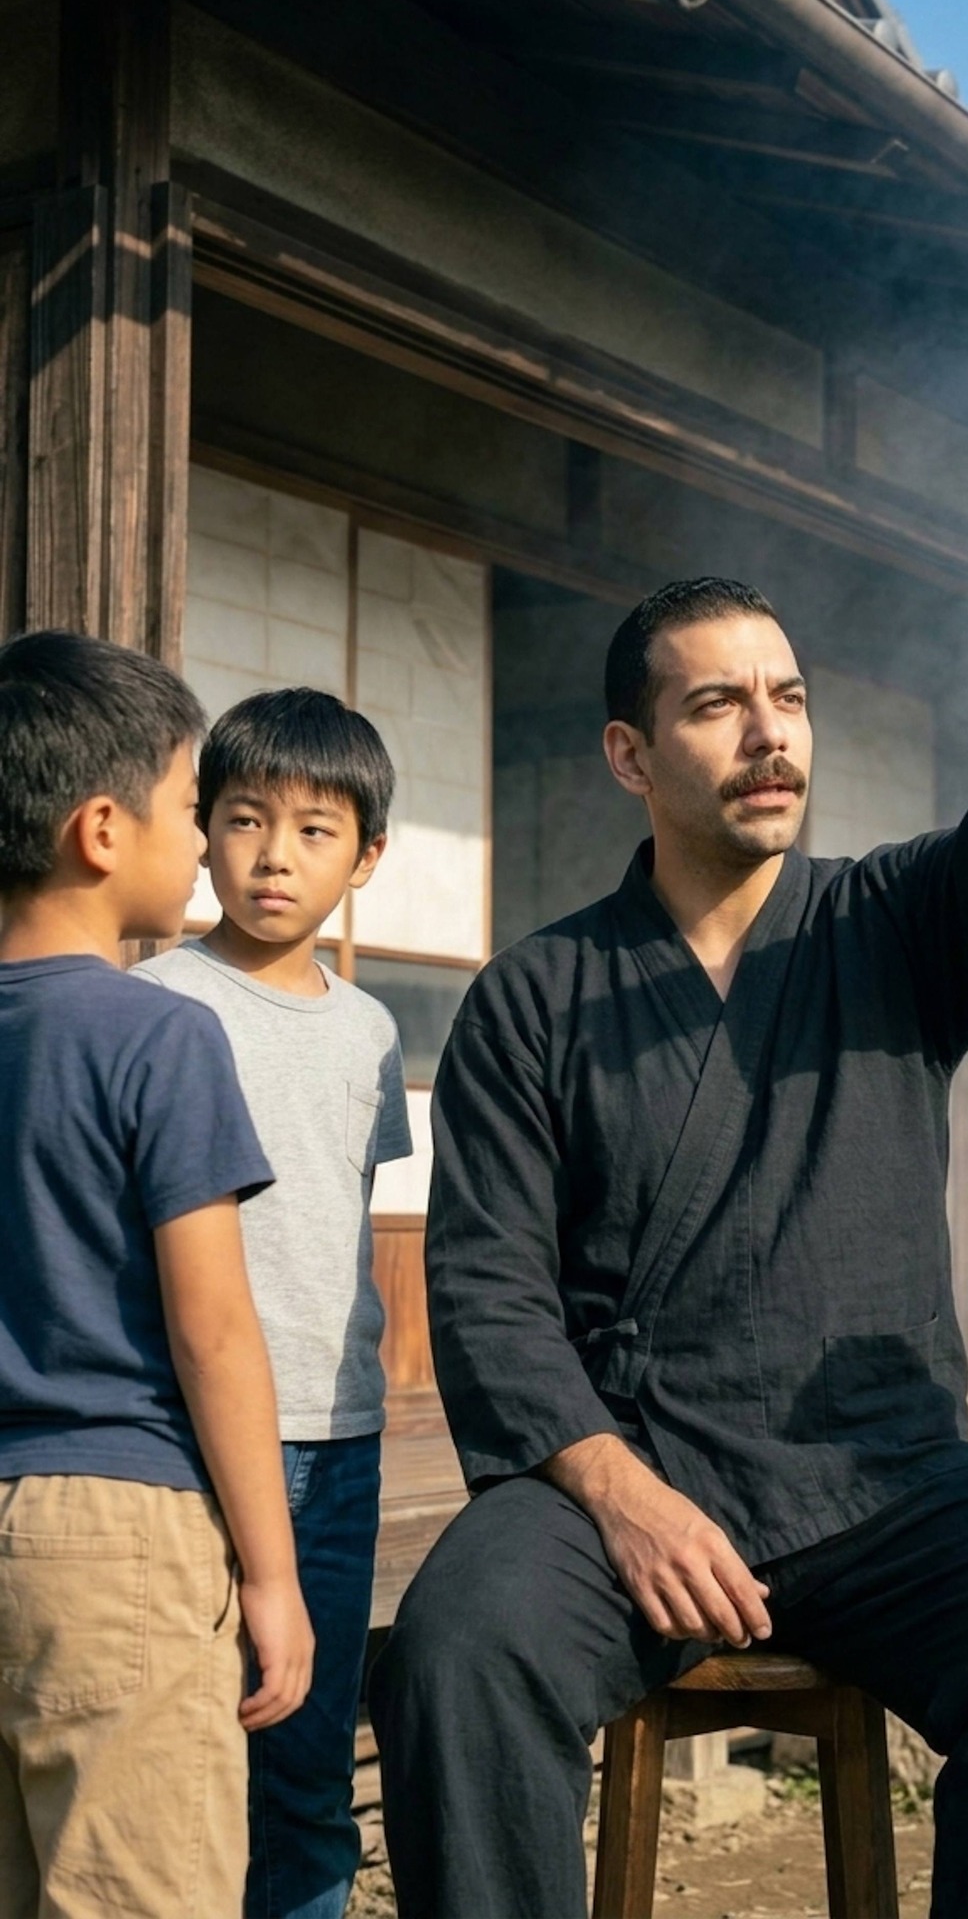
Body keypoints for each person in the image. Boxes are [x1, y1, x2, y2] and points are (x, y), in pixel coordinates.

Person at [371, 400, 968, 1919]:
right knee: (457, 1644)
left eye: (787, 695)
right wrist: (613, 1489)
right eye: (718, 706)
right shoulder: (539, 992)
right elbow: (489, 1292)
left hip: (883, 1475)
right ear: (628, 752)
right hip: (628, 1473)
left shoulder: (890, 925)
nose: (771, 731)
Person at [0, 630, 313, 1918]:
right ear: (100, 830)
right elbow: (216, 1333)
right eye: (192, 809)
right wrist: (274, 1574)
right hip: (115, 1535)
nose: (204, 844)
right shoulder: (160, 1033)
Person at [137, 687, 413, 1919]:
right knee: (185, 1754)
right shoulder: (156, 1003)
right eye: (245, 819)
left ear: (367, 856)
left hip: (341, 1434)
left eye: (313, 829)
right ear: (200, 830)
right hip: (187, 1435)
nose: (272, 855)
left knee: (307, 1760)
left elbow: (347, 1217)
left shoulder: (368, 1030)